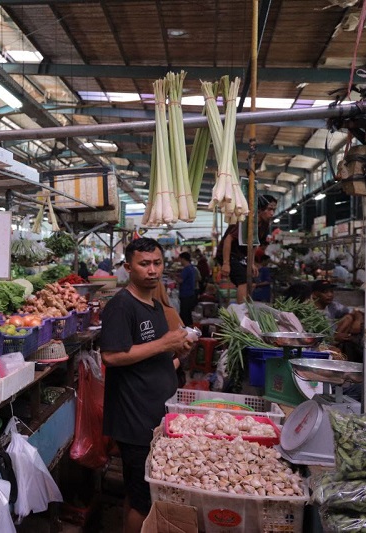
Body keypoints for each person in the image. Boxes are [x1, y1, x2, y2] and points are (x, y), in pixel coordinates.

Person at [100, 238, 193, 533]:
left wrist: (177, 351)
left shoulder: (154, 306)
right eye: (144, 264)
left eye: (157, 263)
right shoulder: (121, 306)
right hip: (134, 420)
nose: (152, 270)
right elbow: (112, 356)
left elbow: (153, 354)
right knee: (143, 501)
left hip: (154, 416)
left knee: (138, 492)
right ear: (129, 267)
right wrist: (164, 343)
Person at [216, 194, 278, 302]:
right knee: (243, 281)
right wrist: (226, 263)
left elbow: (254, 244)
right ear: (260, 209)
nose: (272, 213)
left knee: (252, 282)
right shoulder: (246, 220)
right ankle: (242, 312)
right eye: (269, 209)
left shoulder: (265, 224)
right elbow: (228, 239)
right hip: (228, 253)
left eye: (274, 210)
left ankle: (247, 307)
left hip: (240, 256)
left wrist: (251, 262)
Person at [177, 252, 198, 327]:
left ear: (183, 259)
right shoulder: (191, 267)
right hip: (190, 294)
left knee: (184, 314)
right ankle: (190, 329)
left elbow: (180, 280)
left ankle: (187, 331)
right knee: (188, 314)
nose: (180, 261)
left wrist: (174, 277)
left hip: (186, 294)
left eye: (180, 259)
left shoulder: (187, 269)